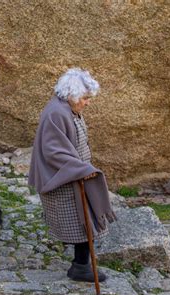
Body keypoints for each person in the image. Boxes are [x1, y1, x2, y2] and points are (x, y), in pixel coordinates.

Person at [28, 68, 116, 282]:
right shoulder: (56, 113)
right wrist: (81, 169)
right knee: (81, 221)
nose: (87, 103)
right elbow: (54, 151)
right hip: (64, 178)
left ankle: (81, 265)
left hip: (75, 173)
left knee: (86, 219)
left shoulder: (68, 109)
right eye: (85, 98)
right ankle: (81, 267)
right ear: (72, 95)